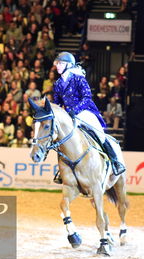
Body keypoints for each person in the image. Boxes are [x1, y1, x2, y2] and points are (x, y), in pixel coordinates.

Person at [52, 52, 126, 183]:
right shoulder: (57, 83)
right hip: (68, 115)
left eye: (61, 63)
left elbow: (87, 98)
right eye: (57, 63)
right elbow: (57, 103)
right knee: (62, 138)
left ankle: (115, 162)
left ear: (69, 65)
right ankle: (62, 170)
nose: (58, 66)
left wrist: (74, 110)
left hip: (84, 112)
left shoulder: (78, 78)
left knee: (99, 134)